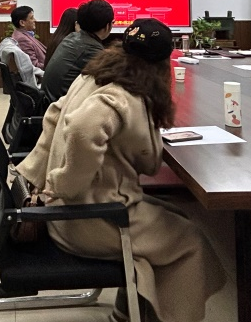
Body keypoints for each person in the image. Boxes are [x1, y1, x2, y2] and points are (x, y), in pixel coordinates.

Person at [17, 19, 226, 322]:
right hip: (88, 219)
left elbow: (54, 114)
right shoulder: (125, 95)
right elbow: (85, 129)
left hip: (66, 210)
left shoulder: (93, 75)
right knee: (190, 241)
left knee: (174, 214)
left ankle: (127, 311)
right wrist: (64, 185)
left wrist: (40, 179)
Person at [41, 0, 114, 104]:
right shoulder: (91, 49)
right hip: (60, 106)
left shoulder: (73, 37)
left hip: (50, 101)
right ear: (108, 26)